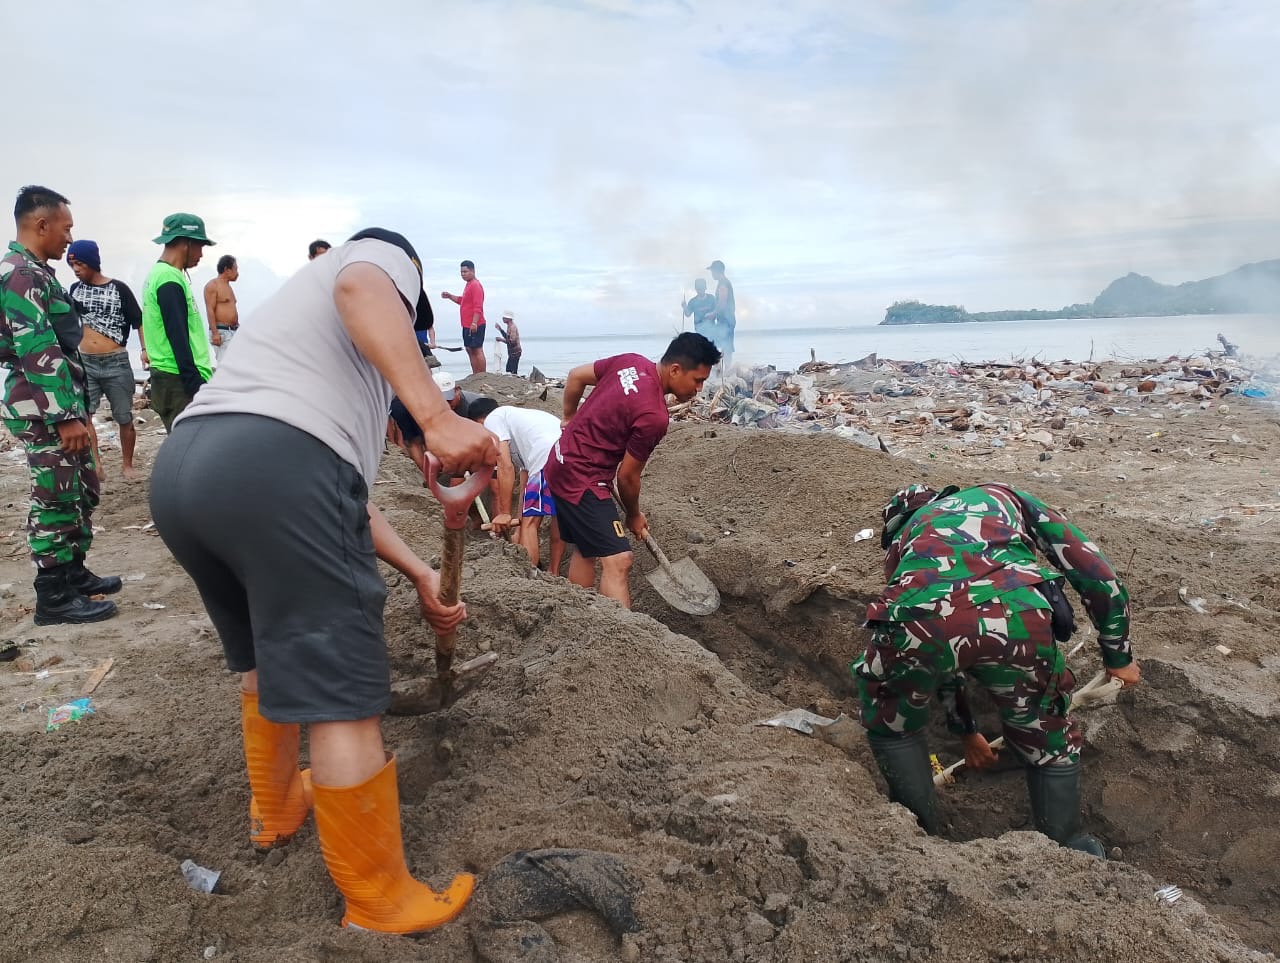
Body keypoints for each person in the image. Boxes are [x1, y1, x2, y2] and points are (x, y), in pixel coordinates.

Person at [149, 228, 497, 934]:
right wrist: (435, 414)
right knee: (343, 701)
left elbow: (343, 501)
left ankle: (276, 809)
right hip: (273, 472)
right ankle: (377, 901)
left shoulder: (303, 349)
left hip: (187, 474)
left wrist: (421, 570)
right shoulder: (373, 261)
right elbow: (361, 287)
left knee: (261, 658)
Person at [853, 483, 1142, 856]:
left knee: (892, 722)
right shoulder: (1000, 496)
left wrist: (966, 730)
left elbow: (941, 634)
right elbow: (1095, 572)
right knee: (1045, 732)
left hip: (915, 625)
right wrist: (1118, 655)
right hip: (1018, 616)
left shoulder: (903, 546)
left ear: (896, 526)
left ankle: (916, 841)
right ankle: (1069, 847)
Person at [0, 186, 119, 624]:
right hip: (42, 405)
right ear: (41, 224)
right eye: (66, 228)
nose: (70, 238)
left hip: (59, 400)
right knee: (55, 495)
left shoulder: (38, 271)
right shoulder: (19, 274)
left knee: (81, 487)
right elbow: (37, 347)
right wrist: (66, 417)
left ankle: (72, 573)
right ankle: (52, 596)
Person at [546, 333, 720, 608]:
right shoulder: (654, 415)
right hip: (582, 478)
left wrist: (568, 416)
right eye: (698, 380)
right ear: (675, 370)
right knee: (619, 560)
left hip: (558, 461)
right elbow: (626, 477)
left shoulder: (630, 362)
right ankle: (625, 637)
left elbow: (575, 375)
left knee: (586, 547)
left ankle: (577, 615)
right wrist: (635, 515)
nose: (699, 389)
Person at [66, 239, 145, 480]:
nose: (76, 269)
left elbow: (138, 320)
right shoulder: (74, 290)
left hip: (116, 361)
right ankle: (96, 465)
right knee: (86, 415)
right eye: (72, 265)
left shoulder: (119, 289)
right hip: (86, 362)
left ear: (91, 263)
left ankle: (127, 465)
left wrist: (144, 349)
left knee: (124, 416)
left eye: (79, 263)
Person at [469, 398, 564, 573]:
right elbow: (525, 487)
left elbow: (505, 466)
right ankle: (554, 572)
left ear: (479, 423)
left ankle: (529, 575)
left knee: (531, 524)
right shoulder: (521, 426)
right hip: (570, 457)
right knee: (559, 522)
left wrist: (505, 513)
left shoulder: (493, 419)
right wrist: (517, 531)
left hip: (548, 458)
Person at [142, 214, 215, 429]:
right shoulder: (168, 280)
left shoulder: (161, 274)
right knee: (191, 444)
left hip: (170, 376)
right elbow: (177, 334)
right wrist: (194, 384)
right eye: (200, 246)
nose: (201, 254)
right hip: (177, 380)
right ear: (185, 243)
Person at [387, 370, 486, 468]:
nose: (446, 404)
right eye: (441, 400)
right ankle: (429, 475)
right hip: (404, 405)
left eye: (449, 400)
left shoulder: (474, 403)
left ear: (457, 390)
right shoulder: (424, 403)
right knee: (417, 441)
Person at [441, 259, 485, 374]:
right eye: (461, 272)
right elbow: (463, 301)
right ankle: (476, 373)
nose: (463, 274)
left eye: (465, 272)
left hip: (475, 323)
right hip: (466, 324)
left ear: (472, 271)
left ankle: (482, 374)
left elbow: (478, 306)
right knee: (470, 349)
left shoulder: (476, 285)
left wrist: (474, 322)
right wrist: (450, 296)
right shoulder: (468, 285)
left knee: (477, 349)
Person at [204, 254, 239, 364]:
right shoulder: (213, 285)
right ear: (226, 270)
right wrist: (215, 333)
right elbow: (210, 309)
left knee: (236, 364)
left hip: (232, 330)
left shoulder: (228, 286)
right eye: (235, 269)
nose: (237, 273)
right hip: (221, 332)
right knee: (226, 365)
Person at [707, 259, 736, 371]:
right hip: (726, 319)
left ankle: (726, 372)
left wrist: (713, 313)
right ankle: (721, 371)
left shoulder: (723, 283)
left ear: (716, 271)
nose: (711, 274)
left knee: (726, 347)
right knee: (722, 345)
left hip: (726, 320)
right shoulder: (723, 282)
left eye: (712, 271)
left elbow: (723, 301)